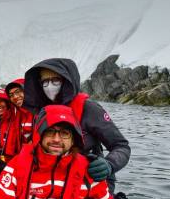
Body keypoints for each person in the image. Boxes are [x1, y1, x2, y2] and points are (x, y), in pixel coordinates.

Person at [22, 58, 130, 189]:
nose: (49, 86)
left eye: (55, 80)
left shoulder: (90, 109)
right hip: (51, 179)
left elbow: (121, 146)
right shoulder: (41, 111)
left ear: (67, 80)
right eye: (45, 81)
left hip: (90, 179)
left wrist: (109, 164)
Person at [5, 78, 34, 143]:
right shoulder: (19, 114)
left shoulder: (40, 112)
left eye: (18, 92)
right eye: (11, 95)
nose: (15, 97)